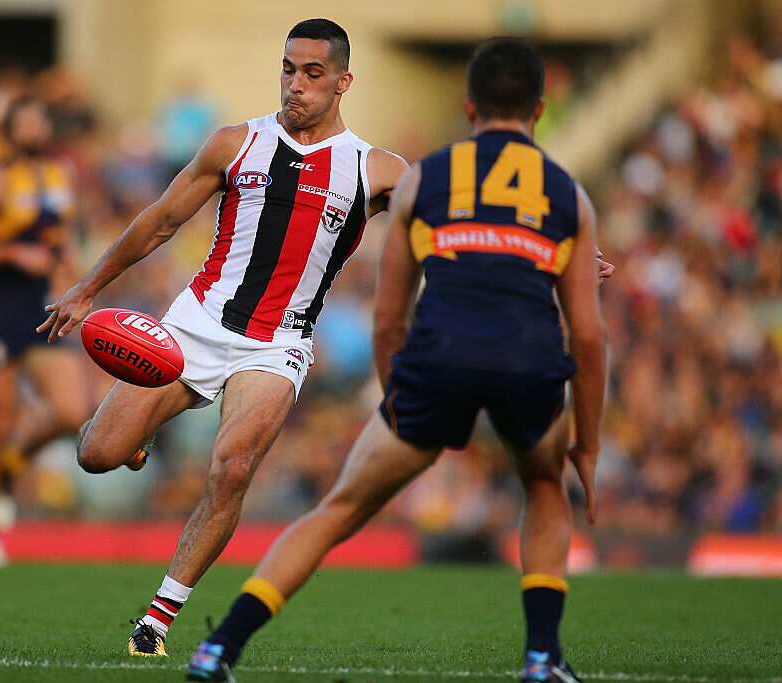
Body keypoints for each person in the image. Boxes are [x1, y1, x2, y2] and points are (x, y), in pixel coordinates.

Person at [186, 38, 608, 683]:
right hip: (527, 358)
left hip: (439, 358)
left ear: (469, 107)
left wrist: (395, 397)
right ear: (540, 110)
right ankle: (543, 658)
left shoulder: (424, 179)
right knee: (545, 487)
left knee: (339, 509)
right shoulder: (568, 195)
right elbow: (590, 337)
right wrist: (590, 445)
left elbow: (389, 316)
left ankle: (220, 648)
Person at [38, 18, 410, 657]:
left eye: (312, 73)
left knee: (232, 468)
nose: (295, 85)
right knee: (96, 455)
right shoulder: (236, 143)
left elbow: (455, 222)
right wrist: (87, 287)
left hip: (278, 344)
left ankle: (157, 619)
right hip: (196, 323)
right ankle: (139, 438)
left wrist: (556, 255)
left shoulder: (374, 169)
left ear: (343, 82)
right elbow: (160, 221)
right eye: (288, 69)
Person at [0, 96, 90, 566]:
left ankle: (12, 463)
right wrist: (13, 253)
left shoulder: (59, 176)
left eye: (39, 122)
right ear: (10, 132)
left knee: (72, 409)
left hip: (40, 299)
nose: (34, 131)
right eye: (25, 123)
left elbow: (62, 236)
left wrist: (75, 277)